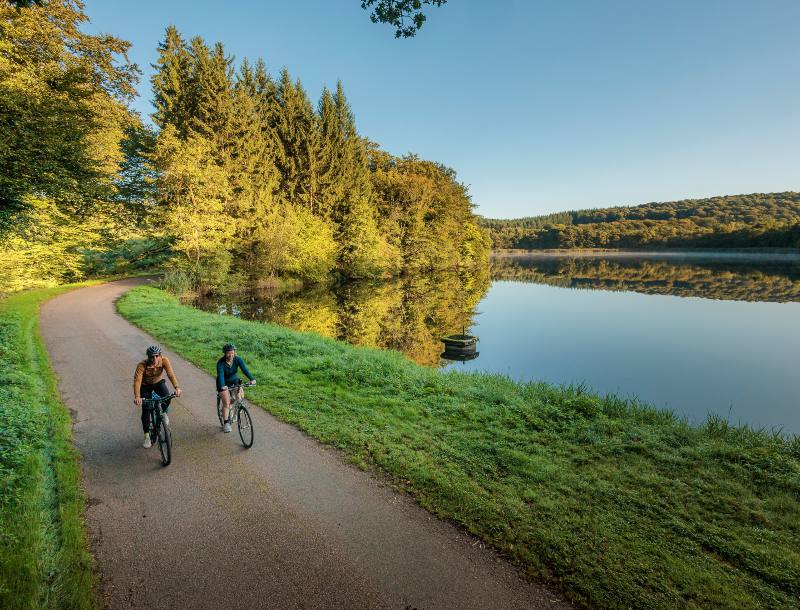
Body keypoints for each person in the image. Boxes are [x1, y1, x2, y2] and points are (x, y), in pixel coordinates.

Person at [133, 345, 182, 448]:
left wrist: (177, 387)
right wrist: (138, 396)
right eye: (152, 356)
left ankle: (163, 413)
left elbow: (170, 374)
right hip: (145, 386)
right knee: (146, 408)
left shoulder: (164, 360)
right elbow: (137, 381)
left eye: (156, 356)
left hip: (158, 383)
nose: (154, 359)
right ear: (148, 357)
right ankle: (146, 435)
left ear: (160, 355)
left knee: (167, 397)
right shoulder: (142, 365)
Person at [217, 343, 255, 433]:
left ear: (234, 352)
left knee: (239, 396)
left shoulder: (238, 359)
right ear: (225, 353)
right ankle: (226, 423)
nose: (231, 355)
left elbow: (244, 369)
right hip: (223, 383)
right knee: (226, 403)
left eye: (232, 352)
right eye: (228, 353)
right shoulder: (220, 363)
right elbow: (221, 375)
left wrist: (252, 379)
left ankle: (236, 409)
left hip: (234, 380)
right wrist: (223, 386)